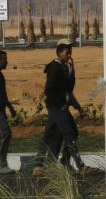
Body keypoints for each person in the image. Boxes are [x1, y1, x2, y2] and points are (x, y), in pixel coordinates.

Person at [33, 39, 97, 175]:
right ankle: (78, 166)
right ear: (59, 53)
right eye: (67, 52)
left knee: (53, 134)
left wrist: (72, 71)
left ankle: (46, 165)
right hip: (57, 107)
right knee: (70, 133)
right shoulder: (54, 67)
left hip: (59, 106)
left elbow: (69, 89)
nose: (70, 55)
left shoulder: (63, 67)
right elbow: (49, 89)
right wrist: (60, 104)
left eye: (70, 52)